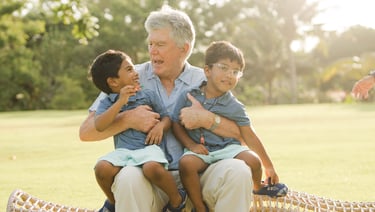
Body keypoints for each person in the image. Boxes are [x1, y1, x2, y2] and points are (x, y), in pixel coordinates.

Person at [79, 6, 253, 212]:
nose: (153, 50)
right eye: (151, 44)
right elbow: (86, 132)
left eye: (160, 44)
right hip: (149, 176)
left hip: (200, 175)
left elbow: (241, 136)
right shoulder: (129, 77)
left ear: (184, 49)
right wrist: (127, 119)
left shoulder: (206, 81)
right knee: (127, 177)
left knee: (239, 171)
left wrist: (208, 120)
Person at [172, 41, 288, 212]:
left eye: (235, 72)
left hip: (227, 149)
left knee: (253, 160)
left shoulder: (234, 106)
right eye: (224, 68)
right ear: (207, 70)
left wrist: (268, 166)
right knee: (186, 164)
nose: (229, 75)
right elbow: (176, 123)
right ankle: (198, 206)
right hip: (200, 151)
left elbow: (249, 136)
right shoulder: (189, 95)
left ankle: (257, 188)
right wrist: (191, 145)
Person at [88, 49, 187, 212]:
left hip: (148, 149)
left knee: (152, 169)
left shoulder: (148, 95)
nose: (135, 73)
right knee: (102, 168)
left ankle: (177, 199)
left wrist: (160, 127)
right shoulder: (108, 102)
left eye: (133, 68)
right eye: (129, 69)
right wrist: (120, 102)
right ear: (113, 82)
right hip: (124, 153)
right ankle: (113, 202)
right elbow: (99, 125)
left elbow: (167, 118)